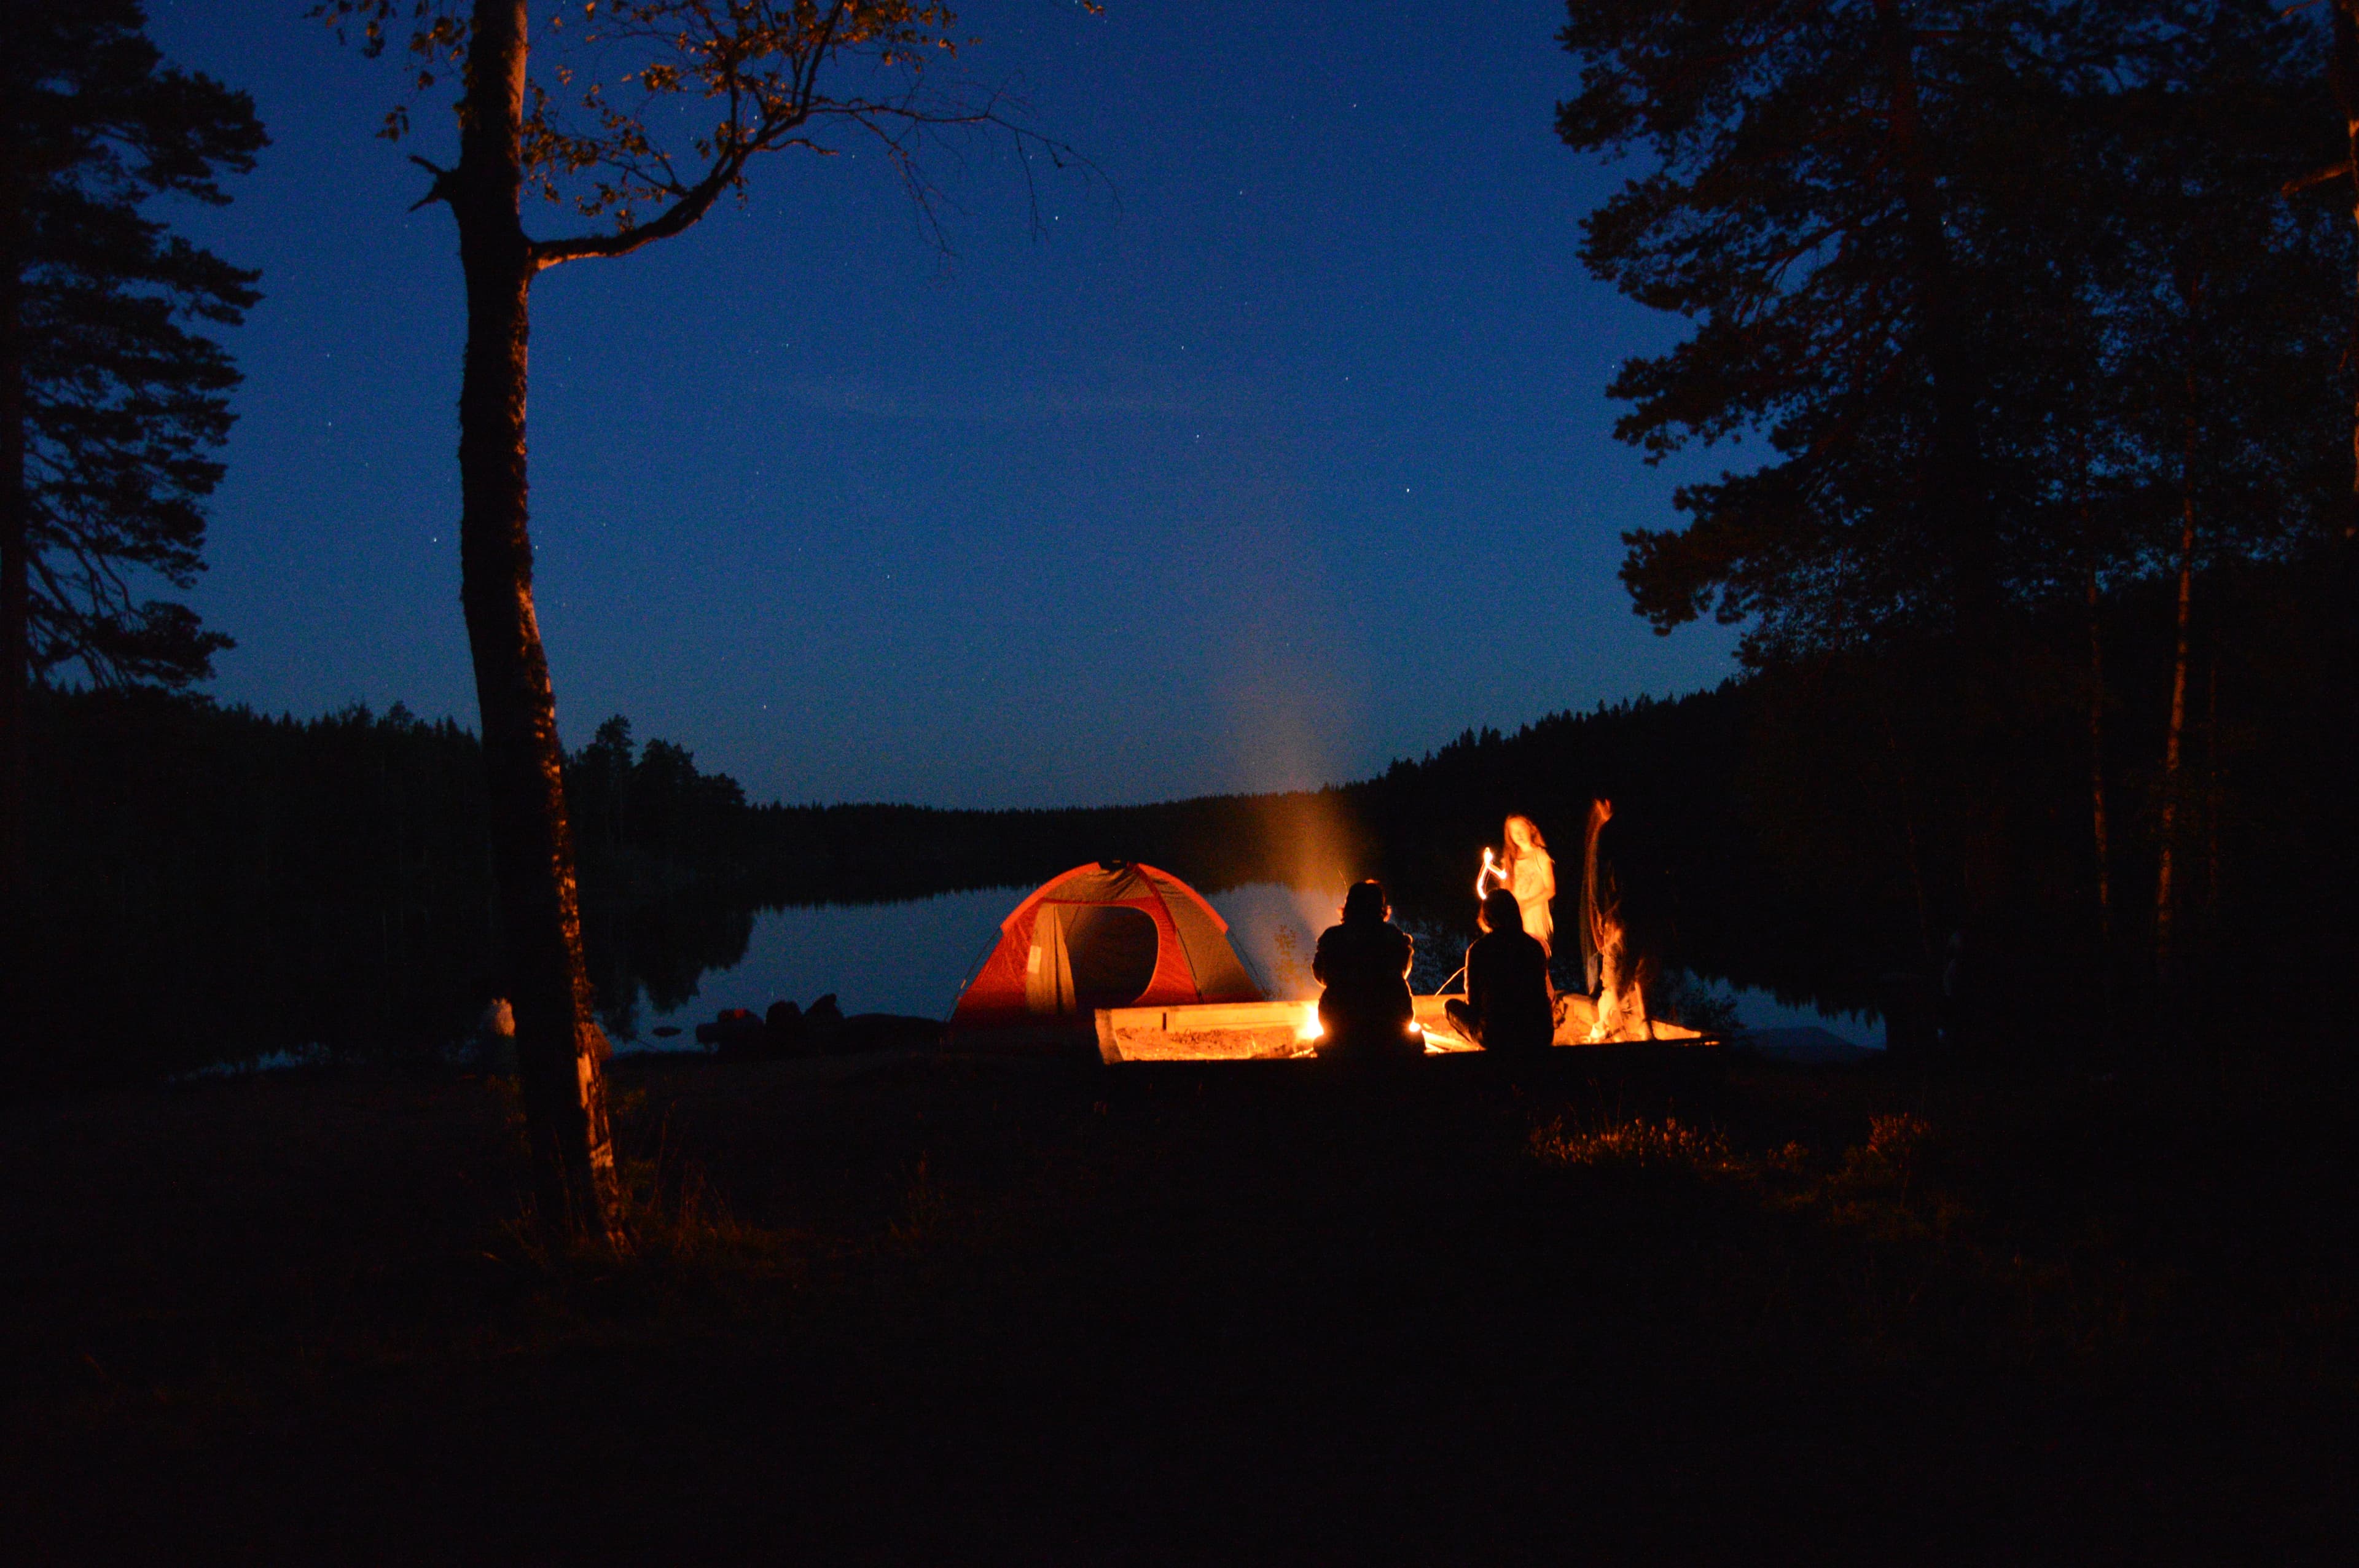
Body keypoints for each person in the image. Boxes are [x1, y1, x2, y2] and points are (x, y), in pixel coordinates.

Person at [1312, 880, 1420, 1062]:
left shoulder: (1333, 938)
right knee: (1415, 1041)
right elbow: (1403, 970)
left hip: (1342, 1032)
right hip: (1391, 1031)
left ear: (1348, 906)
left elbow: (1322, 976)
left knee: (1322, 1044)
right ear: (1381, 908)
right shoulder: (1393, 937)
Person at [1578, 796, 1655, 1041]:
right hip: (1642, 914)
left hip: (1622, 918)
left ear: (1605, 803)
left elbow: (1603, 878)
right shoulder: (1640, 828)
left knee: (1614, 976)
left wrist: (1604, 915)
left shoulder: (1609, 833)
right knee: (1641, 974)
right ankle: (1645, 1028)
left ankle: (1605, 1028)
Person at [1445, 889, 1554, 1055]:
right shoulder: (1534, 947)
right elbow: (1542, 993)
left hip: (1497, 1037)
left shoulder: (1479, 949)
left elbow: (1473, 1002)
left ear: (1486, 916)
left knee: (1450, 1007)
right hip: (1540, 1034)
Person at [1497, 814, 1556, 956]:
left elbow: (1551, 890)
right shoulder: (1508, 861)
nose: (1518, 834)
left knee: (1536, 961)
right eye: (1513, 830)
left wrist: (1525, 905)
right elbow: (1505, 891)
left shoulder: (1541, 856)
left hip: (1535, 919)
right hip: (1515, 920)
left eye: (1521, 828)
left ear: (1530, 828)